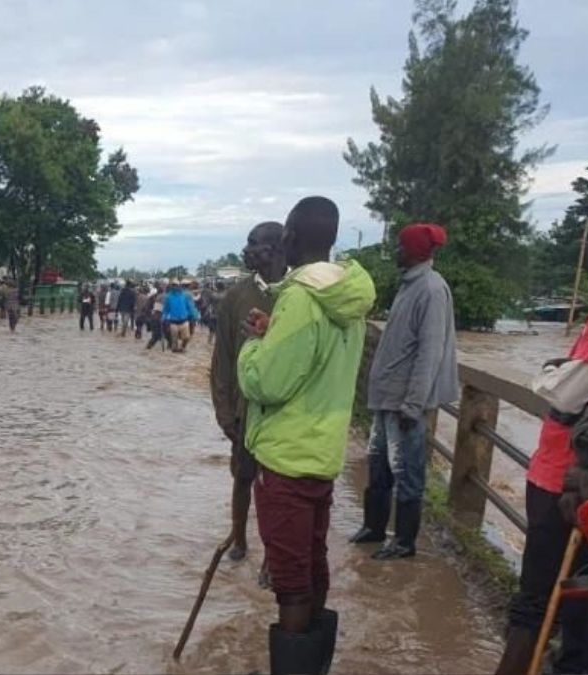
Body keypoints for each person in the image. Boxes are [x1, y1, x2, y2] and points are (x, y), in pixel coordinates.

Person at [238, 196, 375, 674]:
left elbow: (268, 383)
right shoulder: (349, 297)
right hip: (322, 453)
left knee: (291, 581)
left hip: (286, 455)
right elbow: (318, 360)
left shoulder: (299, 295)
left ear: (291, 238)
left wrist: (253, 350)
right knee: (313, 567)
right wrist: (276, 332)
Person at [495, 201, 588, 675]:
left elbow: (568, 392)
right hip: (579, 475)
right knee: (576, 606)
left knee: (540, 600)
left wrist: (553, 377)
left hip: (572, 479)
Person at [350, 223, 459, 560]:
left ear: (414, 251)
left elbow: (430, 353)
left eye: (399, 246)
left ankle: (404, 542)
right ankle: (375, 527)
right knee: (379, 465)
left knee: (406, 473)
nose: (395, 251)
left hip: (404, 403)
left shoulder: (431, 290)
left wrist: (413, 405)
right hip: (387, 399)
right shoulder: (409, 285)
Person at [210, 222, 287, 563]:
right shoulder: (235, 296)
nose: (246, 250)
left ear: (275, 248)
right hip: (245, 409)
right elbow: (222, 359)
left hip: (285, 413)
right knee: (242, 476)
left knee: (278, 488)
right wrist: (224, 412)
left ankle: (274, 555)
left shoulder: (296, 294)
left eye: (253, 244)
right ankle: (239, 538)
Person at [162, 280, 200, 353]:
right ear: (171, 286)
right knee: (174, 342)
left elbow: (190, 307)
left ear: (179, 286)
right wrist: (163, 317)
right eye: (173, 285)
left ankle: (182, 347)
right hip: (173, 322)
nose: (174, 287)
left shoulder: (185, 296)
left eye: (176, 285)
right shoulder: (168, 297)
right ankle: (175, 351)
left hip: (184, 320)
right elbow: (166, 309)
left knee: (186, 337)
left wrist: (194, 315)